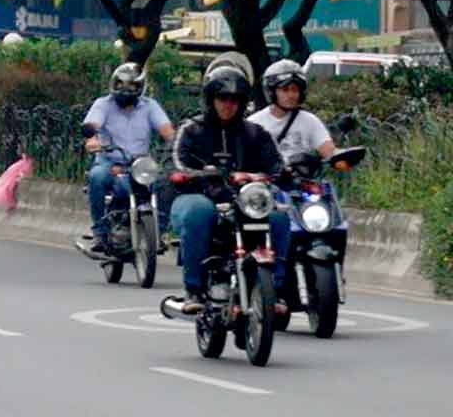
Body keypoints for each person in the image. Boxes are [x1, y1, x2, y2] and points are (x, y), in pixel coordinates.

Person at [171, 53, 291, 312]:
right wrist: (203, 174)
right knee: (198, 212)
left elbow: (276, 165)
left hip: (245, 200)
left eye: (234, 99)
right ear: (210, 99)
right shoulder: (191, 129)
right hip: (199, 195)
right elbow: (177, 164)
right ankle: (194, 290)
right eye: (222, 98)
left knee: (279, 218)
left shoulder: (256, 133)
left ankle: (277, 290)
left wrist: (280, 174)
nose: (228, 104)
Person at [81, 62, 176, 254]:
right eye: (121, 84)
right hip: (109, 161)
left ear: (140, 87)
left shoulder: (150, 106)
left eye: (131, 85)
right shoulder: (103, 104)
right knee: (97, 177)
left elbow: (168, 132)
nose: (125, 89)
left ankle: (158, 232)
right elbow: (92, 126)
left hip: (140, 164)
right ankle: (100, 232)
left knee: (166, 182)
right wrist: (92, 140)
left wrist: (176, 143)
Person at [248, 59, 336, 162]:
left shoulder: (310, 121)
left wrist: (344, 157)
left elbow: (330, 152)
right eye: (285, 90)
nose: (291, 95)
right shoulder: (254, 123)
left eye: (295, 90)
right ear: (271, 92)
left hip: (301, 172)